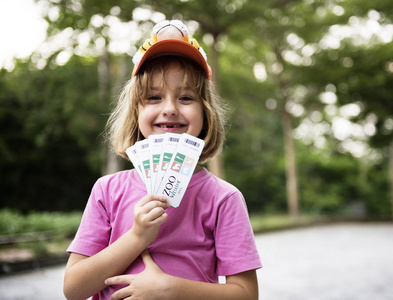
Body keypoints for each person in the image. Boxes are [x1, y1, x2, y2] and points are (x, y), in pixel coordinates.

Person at [63, 19, 262, 300]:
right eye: (154, 97)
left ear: (205, 113)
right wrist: (136, 237)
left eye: (186, 98)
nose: (169, 109)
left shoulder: (223, 198)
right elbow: (73, 289)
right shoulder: (107, 191)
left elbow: (246, 295)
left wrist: (171, 289)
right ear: (135, 113)